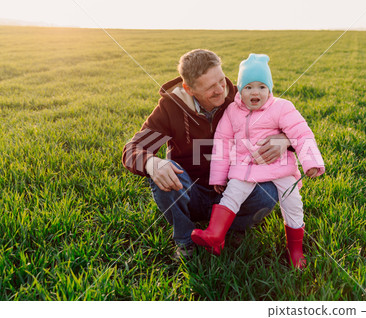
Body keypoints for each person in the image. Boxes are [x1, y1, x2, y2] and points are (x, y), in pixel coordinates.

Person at [122, 49, 292, 259]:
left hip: (234, 190)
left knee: (269, 190)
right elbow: (134, 148)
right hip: (192, 193)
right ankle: (185, 241)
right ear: (189, 88)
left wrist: (285, 139)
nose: (221, 90)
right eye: (211, 87)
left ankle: (233, 229)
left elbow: (288, 120)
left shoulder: (241, 96)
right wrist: (151, 163)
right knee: (162, 174)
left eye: (221, 80)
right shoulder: (171, 107)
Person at [191, 53, 325, 268]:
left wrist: (311, 162)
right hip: (244, 167)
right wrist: (218, 175)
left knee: (293, 204)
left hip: (281, 168)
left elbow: (301, 133)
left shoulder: (282, 107)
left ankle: (296, 251)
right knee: (231, 195)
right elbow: (222, 144)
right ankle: (215, 236)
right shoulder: (232, 112)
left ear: (269, 89)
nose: (256, 92)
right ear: (239, 90)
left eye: (262, 87)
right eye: (249, 87)